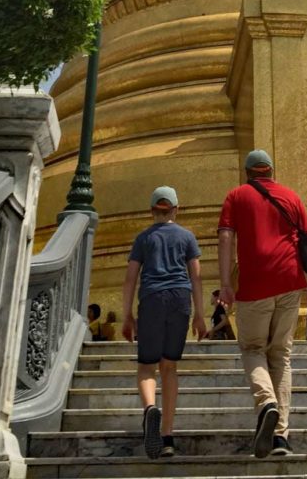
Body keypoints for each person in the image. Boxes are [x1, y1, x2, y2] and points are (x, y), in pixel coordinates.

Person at [218, 149, 307, 458]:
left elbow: (225, 238)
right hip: (291, 282)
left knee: (253, 349)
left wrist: (225, 283)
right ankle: (280, 438)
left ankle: (266, 403)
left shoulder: (236, 196)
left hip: (254, 285)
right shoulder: (292, 197)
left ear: (248, 172)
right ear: (271, 172)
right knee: (281, 355)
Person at [121, 185, 206, 459]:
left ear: (151, 211)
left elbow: (130, 278)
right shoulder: (187, 237)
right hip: (180, 298)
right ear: (176, 210)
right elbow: (196, 278)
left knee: (147, 366)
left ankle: (149, 411)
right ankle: (167, 436)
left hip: (152, 299)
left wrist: (127, 316)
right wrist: (201, 315)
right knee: (169, 367)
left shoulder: (143, 238)